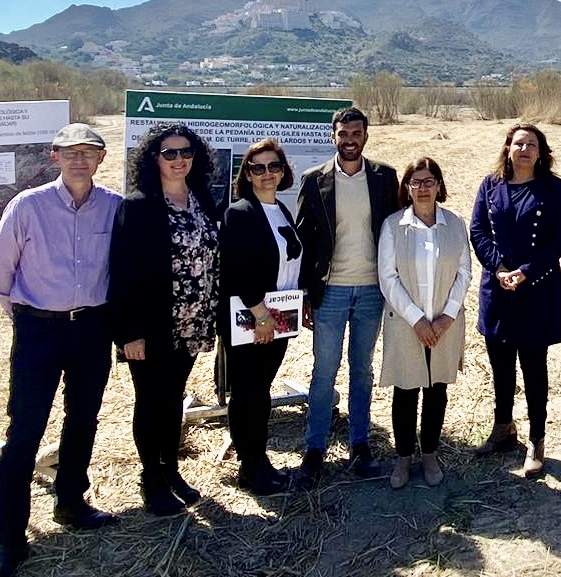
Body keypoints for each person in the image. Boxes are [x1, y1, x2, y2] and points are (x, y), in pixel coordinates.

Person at [0, 122, 122, 577]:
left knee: (83, 419)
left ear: (101, 159)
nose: (80, 160)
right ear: (54, 157)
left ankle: (72, 502)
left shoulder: (113, 207)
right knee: (24, 432)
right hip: (39, 330)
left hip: (93, 328)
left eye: (89, 152)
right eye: (70, 152)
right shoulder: (28, 206)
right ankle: (9, 539)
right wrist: (27, 317)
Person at [110, 123, 219, 516]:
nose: (178, 159)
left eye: (185, 151)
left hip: (193, 320)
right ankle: (151, 481)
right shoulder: (138, 205)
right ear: (154, 158)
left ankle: (170, 470)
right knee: (150, 400)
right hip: (153, 325)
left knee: (173, 397)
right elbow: (122, 272)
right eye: (169, 153)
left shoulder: (201, 198)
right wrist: (129, 333)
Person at [291, 107, 399, 488]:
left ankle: (360, 443)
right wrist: (305, 293)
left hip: (371, 290)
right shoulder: (313, 180)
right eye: (343, 134)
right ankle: (314, 448)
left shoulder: (385, 177)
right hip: (331, 291)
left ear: (366, 136)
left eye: (356, 133)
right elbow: (303, 240)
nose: (350, 140)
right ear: (333, 136)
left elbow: (396, 230)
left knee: (362, 370)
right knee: (324, 371)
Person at [469, 123, 561, 478]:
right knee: (500, 366)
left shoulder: (552, 187)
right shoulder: (490, 185)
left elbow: (558, 238)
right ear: (508, 149)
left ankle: (537, 439)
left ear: (541, 152)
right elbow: (478, 230)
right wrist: (498, 268)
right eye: (518, 144)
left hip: (536, 289)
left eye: (531, 144)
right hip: (497, 288)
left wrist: (526, 271)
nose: (524, 149)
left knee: (534, 368)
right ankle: (503, 428)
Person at [217, 138, 306, 497]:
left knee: (260, 391)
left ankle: (258, 460)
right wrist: (261, 315)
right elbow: (234, 269)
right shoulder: (239, 213)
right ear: (248, 174)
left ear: (283, 172)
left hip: (278, 317)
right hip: (252, 319)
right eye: (258, 168)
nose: (267, 173)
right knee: (247, 393)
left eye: (273, 166)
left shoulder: (281, 209)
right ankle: (249, 467)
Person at [377, 157, 472, 490]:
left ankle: (429, 454)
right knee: (405, 391)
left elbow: (464, 272)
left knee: (437, 391)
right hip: (406, 324)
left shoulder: (455, 224)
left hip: (445, 324)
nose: (422, 188)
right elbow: (387, 277)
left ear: (439, 186)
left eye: (428, 181)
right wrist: (417, 320)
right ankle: (403, 457)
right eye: (415, 182)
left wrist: (447, 316)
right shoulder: (393, 226)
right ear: (407, 188)